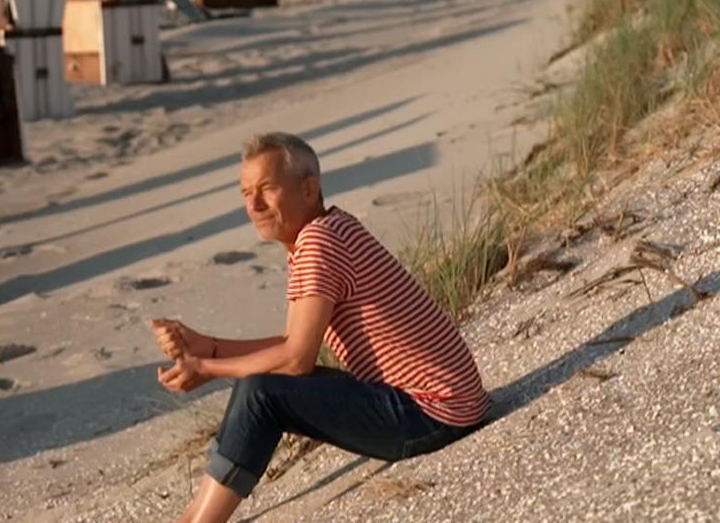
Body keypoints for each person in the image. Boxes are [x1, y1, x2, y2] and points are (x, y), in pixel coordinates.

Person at [150, 132, 492, 523]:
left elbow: (296, 360)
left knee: (261, 392)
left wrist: (207, 369)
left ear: (308, 188)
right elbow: (291, 345)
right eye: (246, 193)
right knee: (260, 384)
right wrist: (206, 346)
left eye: (266, 189)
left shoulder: (318, 244)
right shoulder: (325, 231)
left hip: (432, 414)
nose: (254, 205)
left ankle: (198, 520)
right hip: (443, 404)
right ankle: (194, 516)